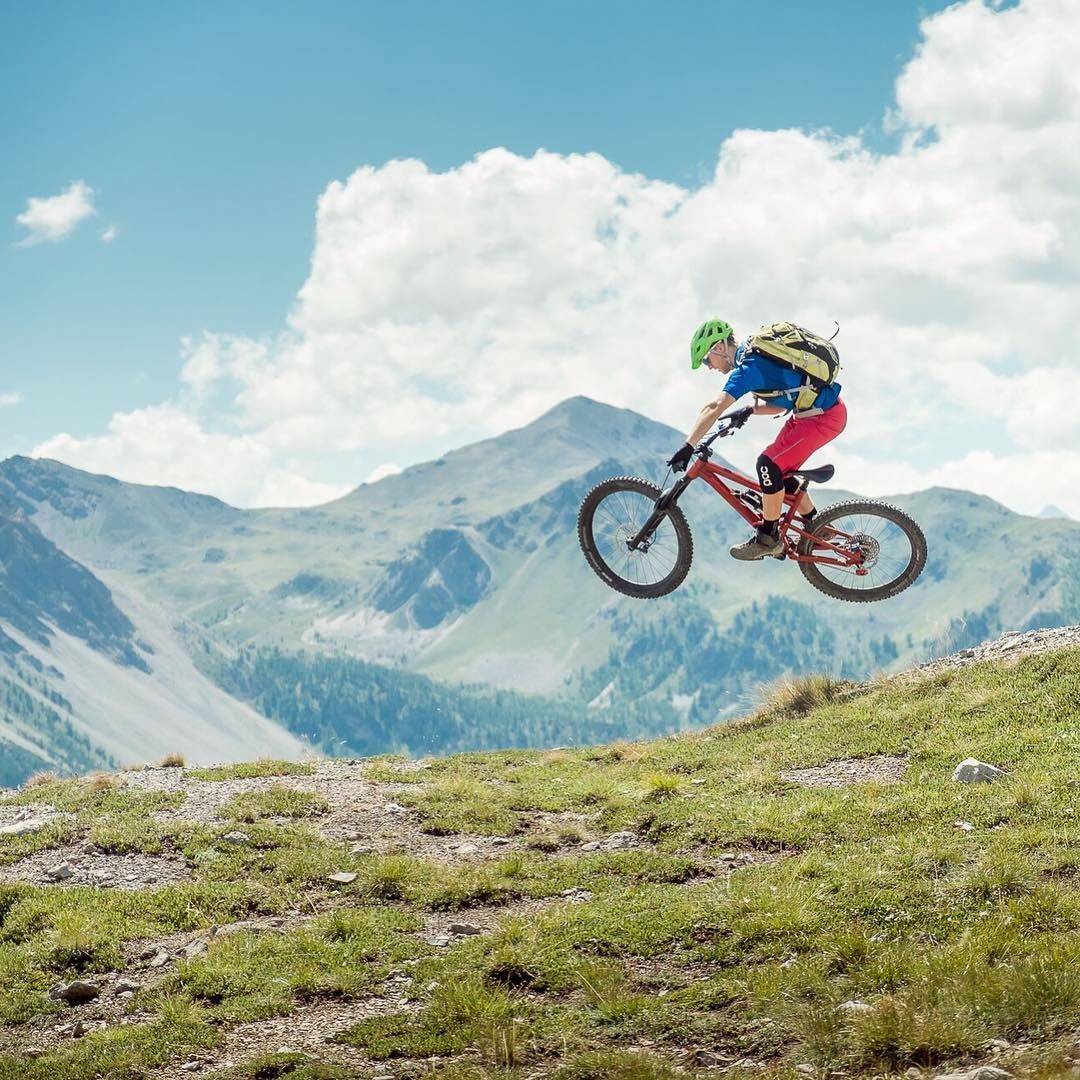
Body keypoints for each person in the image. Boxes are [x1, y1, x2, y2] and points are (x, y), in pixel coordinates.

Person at [667, 318, 847, 560]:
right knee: (778, 471)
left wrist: (687, 446)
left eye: (707, 359)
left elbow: (714, 406)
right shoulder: (754, 355)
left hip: (822, 417)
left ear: (719, 347)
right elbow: (783, 397)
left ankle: (768, 538)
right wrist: (749, 410)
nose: (708, 367)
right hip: (811, 414)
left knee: (768, 465)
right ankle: (815, 525)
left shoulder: (748, 367)